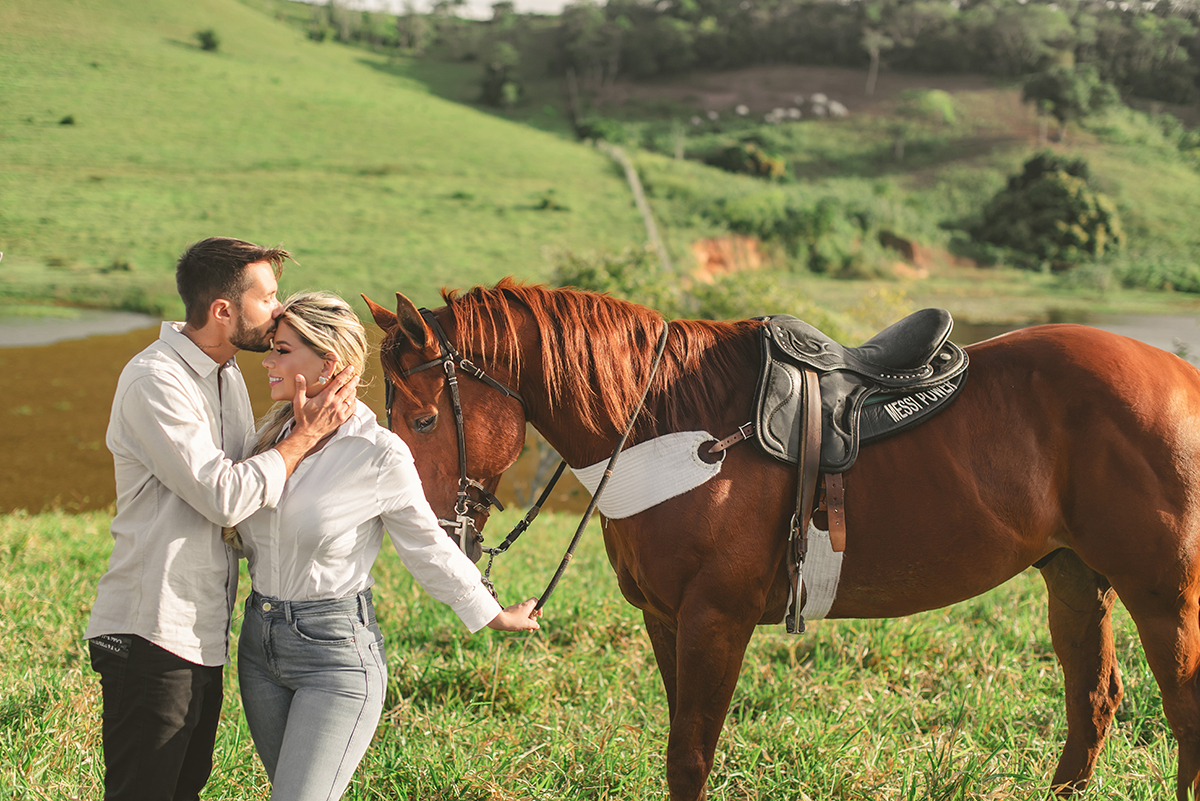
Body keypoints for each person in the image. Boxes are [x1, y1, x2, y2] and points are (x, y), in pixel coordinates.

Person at [231, 290, 540, 800]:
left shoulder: (377, 452)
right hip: (258, 648)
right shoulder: (272, 438)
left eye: (282, 350)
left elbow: (426, 545)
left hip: (333, 656)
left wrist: (492, 612)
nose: (268, 362)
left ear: (329, 362)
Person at [84, 237, 359, 801]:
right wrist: (305, 437)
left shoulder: (226, 373)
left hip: (202, 632)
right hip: (151, 628)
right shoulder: (155, 381)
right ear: (223, 310)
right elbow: (226, 496)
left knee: (183, 787)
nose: (279, 311)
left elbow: (261, 477)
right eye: (269, 298)